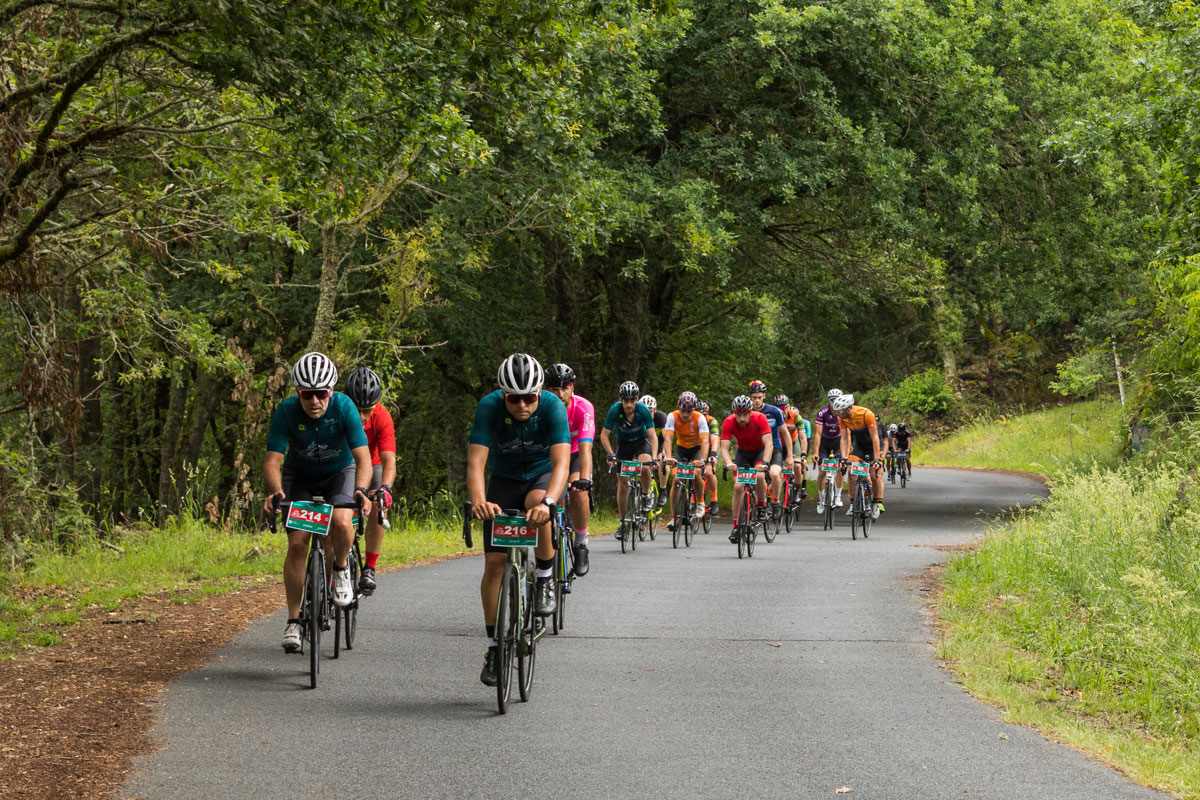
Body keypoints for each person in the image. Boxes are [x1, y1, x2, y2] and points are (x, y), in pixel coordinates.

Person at [467, 353, 570, 687]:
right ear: (503, 395)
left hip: (541, 476)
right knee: (495, 564)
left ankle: (543, 577)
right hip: (505, 479)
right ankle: (494, 647)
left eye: (530, 398)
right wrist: (480, 501)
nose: (523, 405)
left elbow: (562, 464)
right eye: (514, 398)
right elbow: (476, 462)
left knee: (538, 507)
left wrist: (551, 502)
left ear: (539, 394)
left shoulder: (553, 406)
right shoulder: (489, 407)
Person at [263, 352, 373, 653]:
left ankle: (339, 570)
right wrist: (275, 491)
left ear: (331, 392)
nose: (314, 401)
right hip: (300, 477)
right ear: (298, 393)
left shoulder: (345, 408)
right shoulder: (286, 411)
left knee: (340, 520)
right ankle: (294, 621)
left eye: (321, 394)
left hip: (340, 473)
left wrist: (361, 491)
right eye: (307, 394)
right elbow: (273, 461)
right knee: (298, 543)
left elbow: (363, 458)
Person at [343, 366, 394, 594]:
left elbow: (388, 460)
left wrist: (386, 488)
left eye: (368, 410)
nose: (363, 417)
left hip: (371, 464)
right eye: (358, 409)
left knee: (378, 504)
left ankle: (369, 568)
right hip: (343, 463)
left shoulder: (382, 416)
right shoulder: (337, 410)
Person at [544, 363, 594, 576]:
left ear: (572, 388)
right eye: (555, 389)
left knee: (579, 492)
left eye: (565, 388)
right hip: (548, 454)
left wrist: (584, 478)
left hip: (574, 454)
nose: (560, 394)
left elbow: (586, 449)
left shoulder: (583, 408)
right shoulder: (540, 406)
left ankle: (581, 542)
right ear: (546, 390)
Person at [599, 382, 658, 539]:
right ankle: (623, 522)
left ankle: (645, 496)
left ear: (637, 400)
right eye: (626, 401)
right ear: (621, 399)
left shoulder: (643, 411)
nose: (629, 405)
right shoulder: (615, 410)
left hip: (641, 441)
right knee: (623, 484)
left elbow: (653, 436)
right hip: (623, 443)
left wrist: (653, 458)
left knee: (645, 467)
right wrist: (611, 454)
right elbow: (604, 435)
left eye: (632, 401)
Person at [719, 395, 773, 543]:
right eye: (738, 414)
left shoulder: (760, 418)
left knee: (760, 476)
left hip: (759, 452)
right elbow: (724, 448)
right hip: (742, 454)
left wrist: (766, 463)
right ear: (734, 413)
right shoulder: (729, 422)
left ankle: (761, 505)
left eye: (745, 414)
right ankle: (736, 526)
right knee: (738, 487)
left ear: (750, 412)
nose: (742, 418)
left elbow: (769, 443)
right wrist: (729, 462)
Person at [662, 391, 710, 532]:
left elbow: (705, 440)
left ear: (693, 410)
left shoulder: (699, 418)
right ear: (679, 407)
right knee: (677, 480)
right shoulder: (672, 416)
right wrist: (669, 457)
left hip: (696, 448)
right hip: (681, 449)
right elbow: (668, 439)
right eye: (683, 410)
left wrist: (702, 460)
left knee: (696, 473)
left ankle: (700, 502)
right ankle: (674, 517)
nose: (685, 415)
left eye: (689, 411)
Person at [747, 380, 793, 521]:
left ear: (764, 396)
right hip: (755, 450)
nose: (756, 401)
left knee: (774, 474)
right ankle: (757, 502)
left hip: (775, 449)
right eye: (754, 397)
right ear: (750, 397)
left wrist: (790, 455)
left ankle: (776, 502)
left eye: (759, 397)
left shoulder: (774, 411)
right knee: (754, 477)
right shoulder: (746, 411)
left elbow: (785, 433)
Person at [833, 393, 884, 519]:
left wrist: (877, 459)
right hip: (859, 445)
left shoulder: (866, 414)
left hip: (873, 445)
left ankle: (876, 503)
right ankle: (852, 503)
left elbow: (875, 438)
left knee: (874, 475)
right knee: (851, 472)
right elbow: (844, 439)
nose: (838, 414)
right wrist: (844, 458)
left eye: (840, 411)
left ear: (848, 409)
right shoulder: (842, 418)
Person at [811, 389, 847, 513]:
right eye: (832, 399)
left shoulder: (843, 413)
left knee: (840, 468)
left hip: (837, 442)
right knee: (821, 472)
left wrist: (846, 452)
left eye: (837, 399)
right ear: (828, 400)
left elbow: (846, 434)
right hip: (824, 443)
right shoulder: (823, 412)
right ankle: (821, 500)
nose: (834, 402)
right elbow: (818, 434)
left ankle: (837, 496)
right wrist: (815, 452)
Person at [775, 393, 809, 498]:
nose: (781, 410)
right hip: (779, 444)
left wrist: (803, 455)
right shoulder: (773, 415)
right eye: (778, 407)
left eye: (783, 407)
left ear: (788, 406)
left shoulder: (795, 416)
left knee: (798, 466)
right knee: (776, 471)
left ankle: (797, 491)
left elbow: (802, 437)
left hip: (794, 443)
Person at [640, 393, 670, 498]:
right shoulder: (637, 418)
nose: (647, 414)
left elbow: (667, 438)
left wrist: (664, 453)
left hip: (660, 444)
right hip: (646, 444)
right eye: (644, 411)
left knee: (663, 460)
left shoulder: (661, 417)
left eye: (650, 411)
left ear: (655, 410)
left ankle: (663, 489)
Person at [698, 400, 721, 515]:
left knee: (709, 473)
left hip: (710, 448)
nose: (701, 417)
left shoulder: (712, 421)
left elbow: (715, 438)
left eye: (704, 414)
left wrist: (713, 453)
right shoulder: (691, 420)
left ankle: (714, 500)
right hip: (696, 448)